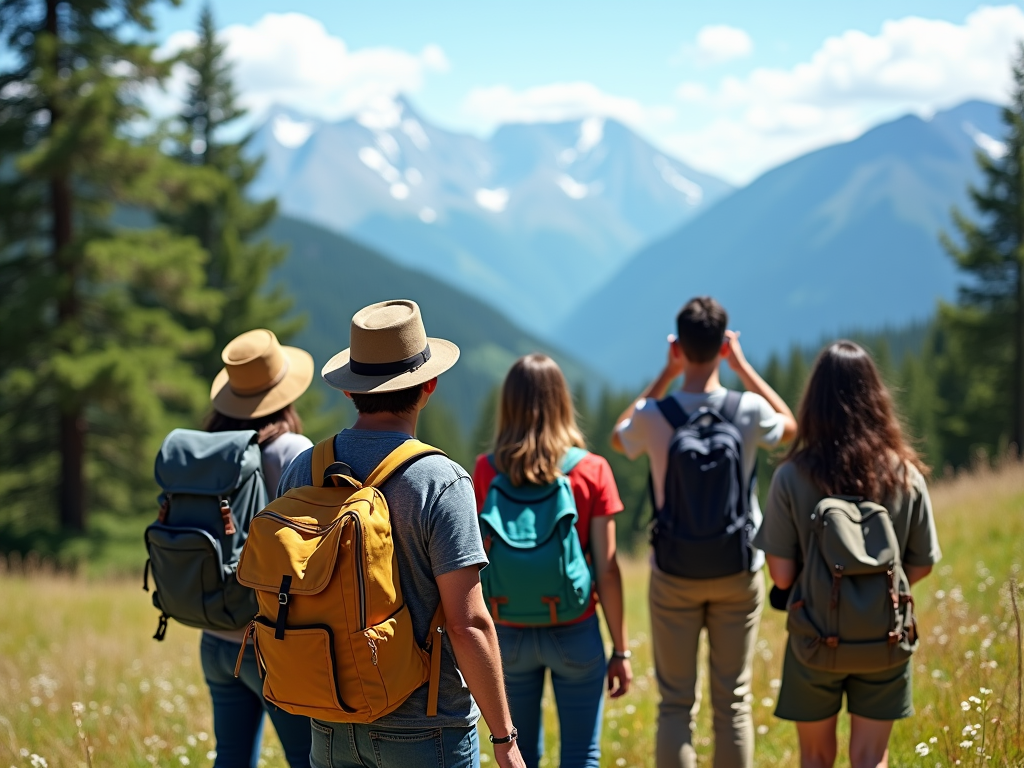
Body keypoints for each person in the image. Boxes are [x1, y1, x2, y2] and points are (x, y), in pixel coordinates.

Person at [277, 299, 526, 768]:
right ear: (428, 385)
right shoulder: (440, 480)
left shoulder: (302, 470)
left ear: (351, 392)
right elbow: (466, 623)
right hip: (426, 726)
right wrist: (504, 737)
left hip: (330, 719)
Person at [610, 296, 797, 768]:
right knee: (732, 701)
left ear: (678, 346)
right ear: (722, 346)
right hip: (738, 567)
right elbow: (791, 427)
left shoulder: (656, 416)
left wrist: (666, 375)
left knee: (675, 703)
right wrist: (744, 366)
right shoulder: (748, 410)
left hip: (673, 573)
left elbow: (618, 435)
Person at [753, 341, 941, 768]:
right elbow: (923, 562)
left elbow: (781, 577)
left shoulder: (791, 476)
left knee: (816, 757)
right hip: (885, 638)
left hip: (815, 636)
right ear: (877, 398)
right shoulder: (904, 473)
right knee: (871, 757)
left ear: (813, 401)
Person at [472, 354, 632, 768]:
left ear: (508, 404)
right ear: (563, 401)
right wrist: (621, 650)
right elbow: (608, 569)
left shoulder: (487, 470)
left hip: (507, 633)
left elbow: (478, 557)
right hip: (575, 630)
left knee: (520, 754)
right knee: (582, 755)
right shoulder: (592, 470)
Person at [201, 329, 316, 768]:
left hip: (214, 635)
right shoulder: (290, 450)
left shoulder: (209, 448)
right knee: (308, 759)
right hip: (269, 640)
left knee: (230, 757)